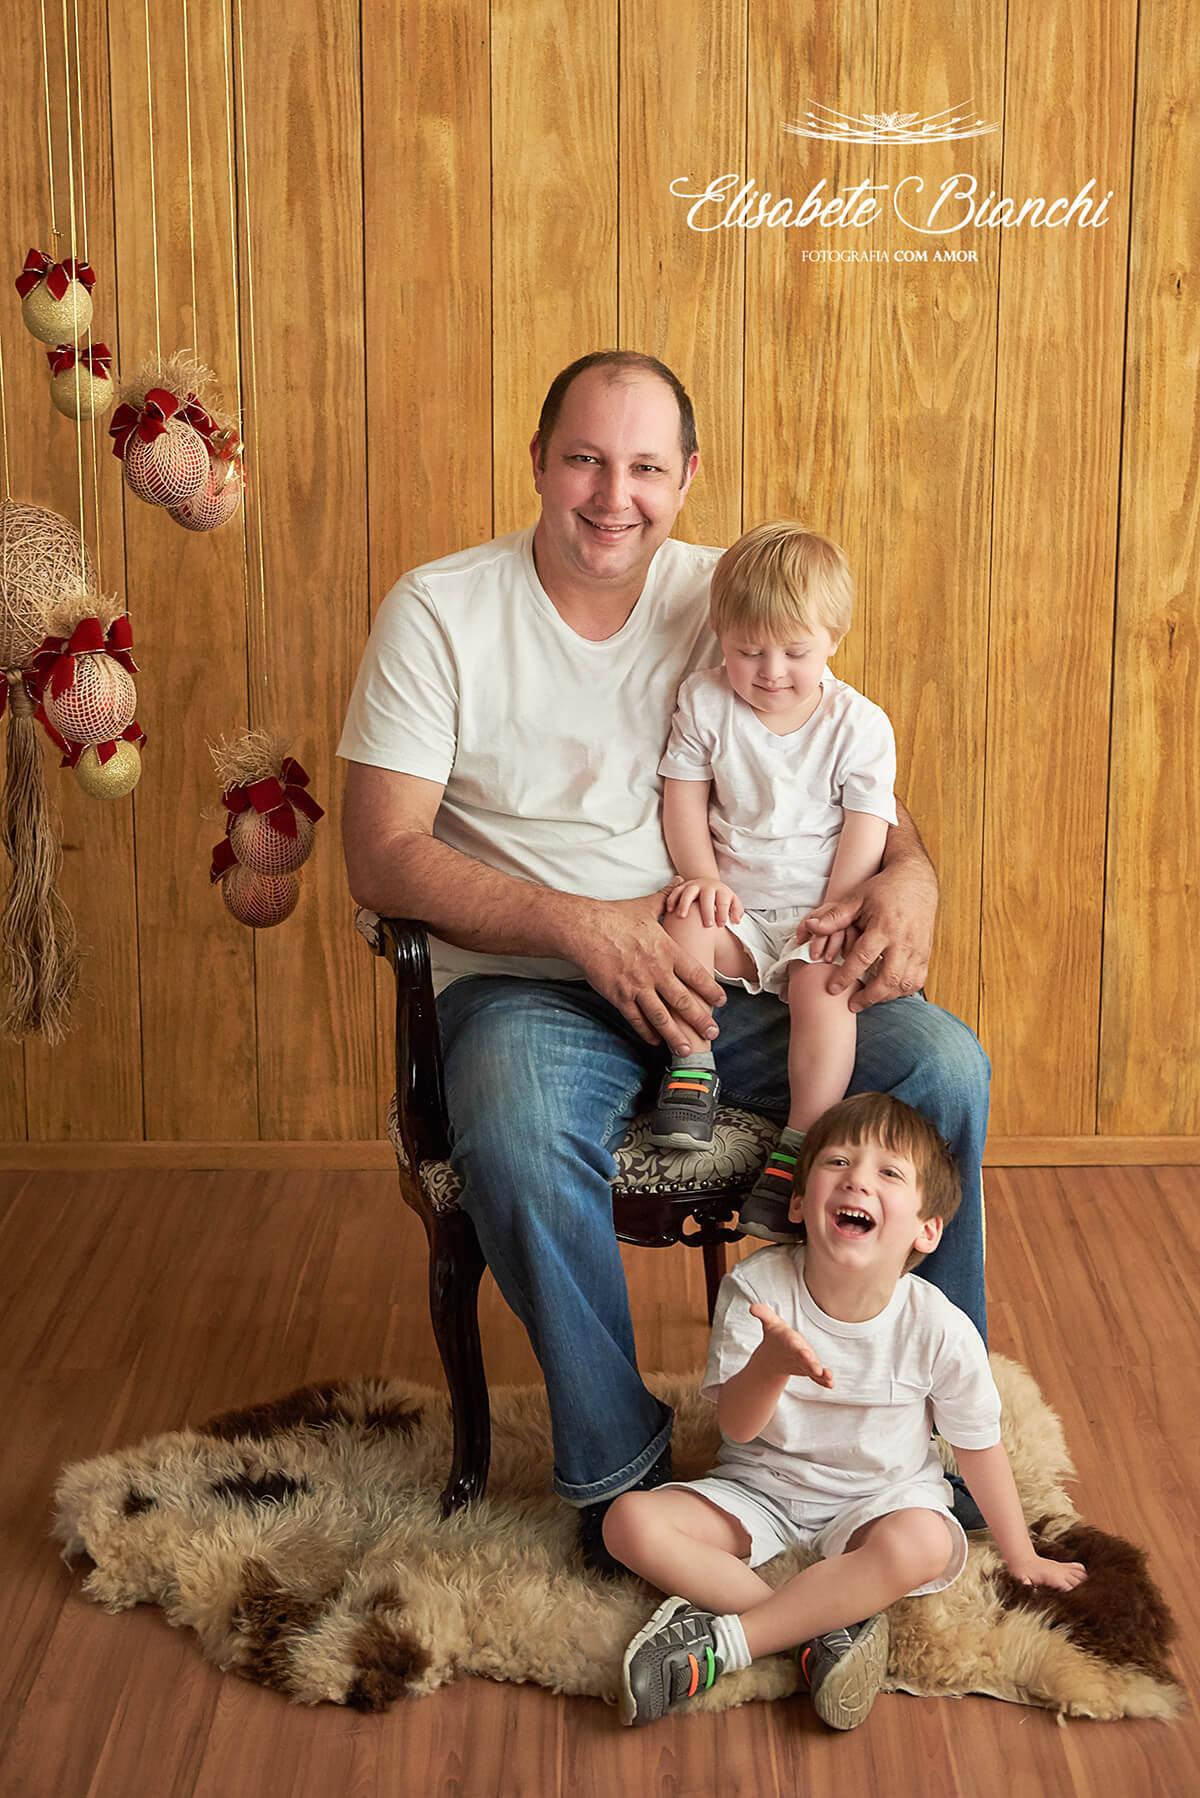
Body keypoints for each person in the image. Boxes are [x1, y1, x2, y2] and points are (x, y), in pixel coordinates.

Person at [338, 349, 990, 1573]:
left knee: (942, 1067)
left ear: (687, 478)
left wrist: (913, 876)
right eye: (585, 460)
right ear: (540, 461)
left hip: (738, 974)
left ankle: (916, 1437)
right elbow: (380, 854)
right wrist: (586, 927)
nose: (612, 496)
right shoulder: (439, 611)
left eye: (644, 467)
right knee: (517, 1124)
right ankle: (619, 1475)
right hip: (533, 988)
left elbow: (846, 775)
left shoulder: (731, 592)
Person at [606, 1092, 1086, 1731]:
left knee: (923, 1542)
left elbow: (978, 1446)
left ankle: (733, 1643)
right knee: (628, 1522)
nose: (857, 1178)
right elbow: (737, 1427)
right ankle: (815, 1630)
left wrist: (1021, 1555)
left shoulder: (939, 1327)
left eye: (889, 1172)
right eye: (837, 1162)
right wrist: (771, 1365)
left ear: (927, 1229)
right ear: (799, 1203)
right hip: (761, 1490)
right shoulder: (757, 1290)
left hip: (880, 1497)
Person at [647, 521, 898, 1244]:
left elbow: (866, 827)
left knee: (828, 987)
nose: (770, 671)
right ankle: (692, 1065)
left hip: (816, 912)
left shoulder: (858, 725)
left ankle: (801, 1140)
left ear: (834, 640)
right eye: (748, 651)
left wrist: (839, 910)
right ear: (720, 636)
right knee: (682, 919)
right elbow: (683, 799)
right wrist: (701, 877)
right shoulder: (705, 701)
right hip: (738, 912)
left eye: (795, 652)